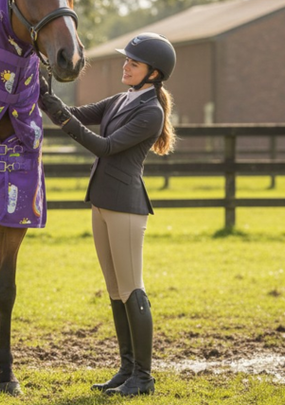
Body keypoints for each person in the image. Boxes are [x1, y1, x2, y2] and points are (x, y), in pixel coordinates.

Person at [39, 32, 176, 396]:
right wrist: (44, 95)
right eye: (126, 60)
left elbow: (105, 146)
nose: (126, 66)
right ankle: (127, 369)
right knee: (116, 291)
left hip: (126, 207)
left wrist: (55, 110)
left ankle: (143, 377)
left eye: (134, 63)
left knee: (131, 289)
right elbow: (75, 115)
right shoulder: (121, 99)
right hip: (101, 202)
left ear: (154, 73)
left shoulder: (151, 112)